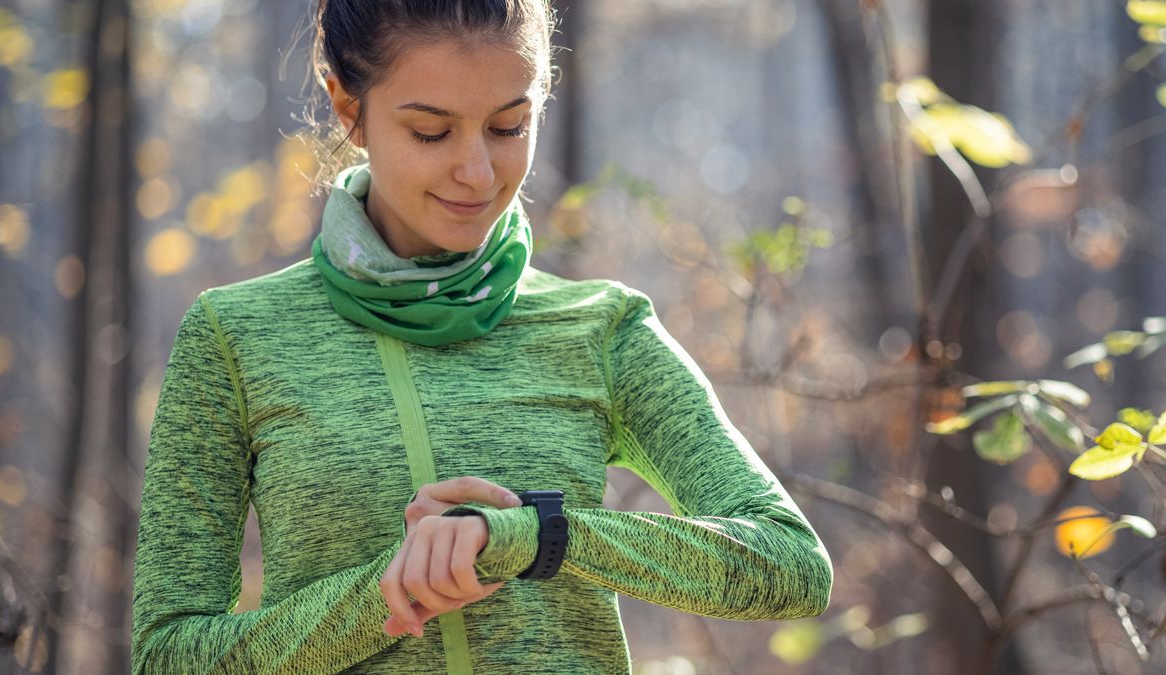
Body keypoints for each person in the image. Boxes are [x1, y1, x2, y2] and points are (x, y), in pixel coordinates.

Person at [129, 1, 833, 673]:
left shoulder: (603, 328)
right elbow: (167, 654)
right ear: (350, 108)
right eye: (431, 132)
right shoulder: (237, 336)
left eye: (508, 126)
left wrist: (532, 536)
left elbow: (790, 564)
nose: (478, 172)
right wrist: (381, 595)